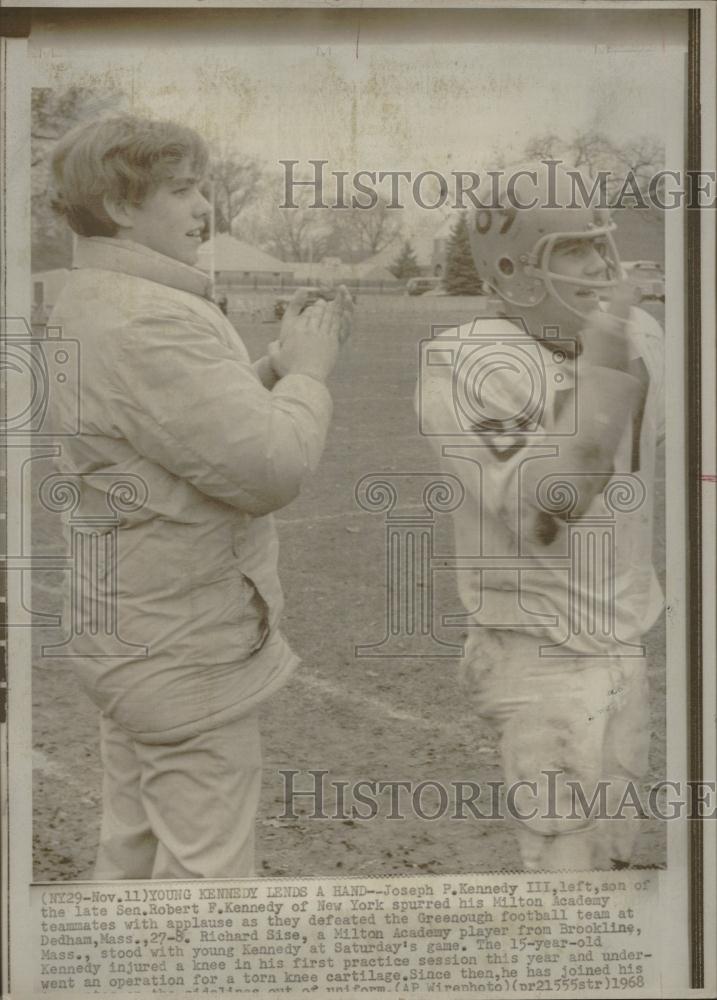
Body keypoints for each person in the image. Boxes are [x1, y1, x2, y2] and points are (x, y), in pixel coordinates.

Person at [46, 115, 352, 879]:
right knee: (205, 886)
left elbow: (172, 434)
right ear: (119, 206)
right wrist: (311, 372)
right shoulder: (147, 315)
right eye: (182, 190)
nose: (203, 208)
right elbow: (270, 467)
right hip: (182, 650)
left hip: (136, 638)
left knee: (131, 851)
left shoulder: (100, 295)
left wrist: (272, 370)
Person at [418, 162, 663, 870]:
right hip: (538, 649)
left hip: (622, 640)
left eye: (600, 244)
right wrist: (608, 360)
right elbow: (550, 503)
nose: (603, 266)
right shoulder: (469, 359)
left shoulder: (639, 331)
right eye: (575, 251)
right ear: (513, 270)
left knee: (615, 856)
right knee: (566, 874)